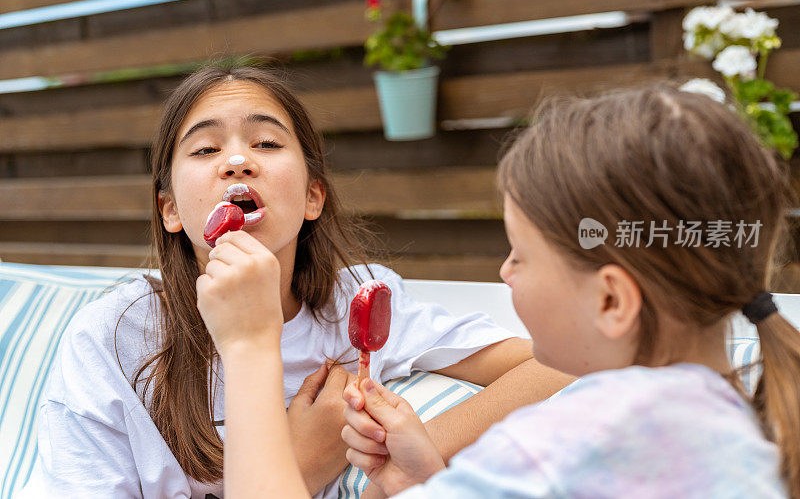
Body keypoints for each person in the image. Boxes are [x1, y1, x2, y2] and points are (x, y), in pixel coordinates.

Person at [201, 84, 800, 497]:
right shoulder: (730, 425)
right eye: (206, 149)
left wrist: (251, 344)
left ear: (612, 301)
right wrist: (426, 471)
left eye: (521, 254)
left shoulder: (558, 446)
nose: (504, 273)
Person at [22, 65, 571, 498]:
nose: (237, 160)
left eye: (266, 143)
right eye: (206, 149)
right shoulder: (116, 337)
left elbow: (565, 361)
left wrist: (422, 449)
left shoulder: (356, 303)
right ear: (170, 210)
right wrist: (300, 466)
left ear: (313, 196)